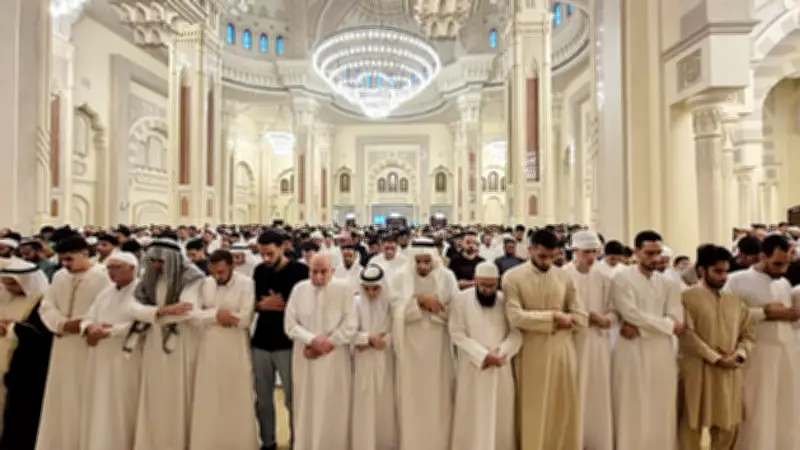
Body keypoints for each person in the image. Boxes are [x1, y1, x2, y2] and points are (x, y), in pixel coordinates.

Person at [503, 228, 586, 450]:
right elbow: (515, 317)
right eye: (542, 256)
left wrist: (564, 320)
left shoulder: (564, 277)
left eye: (552, 256)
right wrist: (554, 317)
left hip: (563, 351)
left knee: (563, 406)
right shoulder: (513, 277)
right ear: (530, 250)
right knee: (534, 407)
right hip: (531, 352)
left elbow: (581, 317)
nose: (547, 261)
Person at [124, 237, 205, 450]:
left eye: (160, 261)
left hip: (180, 342)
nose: (157, 266)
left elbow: (186, 311)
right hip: (153, 342)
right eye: (153, 261)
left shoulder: (192, 277)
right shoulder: (149, 278)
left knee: (176, 396)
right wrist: (159, 311)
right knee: (154, 395)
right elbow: (131, 307)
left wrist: (152, 314)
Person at [37, 235, 111, 450]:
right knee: (61, 398)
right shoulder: (59, 276)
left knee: (85, 398)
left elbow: (108, 308)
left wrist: (84, 325)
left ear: (85, 254)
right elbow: (46, 305)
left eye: (69, 259)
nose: (65, 264)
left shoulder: (103, 276)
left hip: (88, 345)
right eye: (62, 259)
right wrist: (61, 324)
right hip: (62, 345)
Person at [611, 230, 683, 450]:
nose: (655, 258)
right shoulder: (622, 278)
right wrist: (666, 326)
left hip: (662, 352)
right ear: (636, 252)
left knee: (662, 405)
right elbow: (630, 313)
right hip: (631, 351)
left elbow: (676, 318)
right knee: (632, 404)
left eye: (658, 253)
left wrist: (648, 328)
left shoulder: (669, 282)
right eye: (649, 253)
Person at [679, 245, 755, 450]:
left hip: (729, 372)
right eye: (718, 271)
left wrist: (739, 355)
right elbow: (686, 334)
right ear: (702, 270)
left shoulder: (735, 301)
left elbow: (748, 334)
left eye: (726, 272)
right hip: (697, 370)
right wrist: (716, 358)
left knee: (728, 428)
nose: (723, 277)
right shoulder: (686, 297)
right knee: (691, 425)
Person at [725, 234, 797, 449]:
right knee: (758, 408)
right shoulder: (737, 280)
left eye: (786, 264)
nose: (782, 269)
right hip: (757, 352)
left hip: (787, 351)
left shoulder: (784, 283)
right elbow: (726, 315)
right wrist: (763, 312)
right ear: (763, 256)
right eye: (777, 264)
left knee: (786, 407)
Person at [390, 237, 459, 450]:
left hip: (439, 347)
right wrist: (419, 301)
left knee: (439, 398)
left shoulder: (447, 277)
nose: (422, 266)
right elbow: (393, 310)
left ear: (435, 259)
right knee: (412, 399)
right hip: (410, 347)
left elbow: (457, 311)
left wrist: (434, 309)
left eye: (427, 261)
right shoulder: (400, 277)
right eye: (418, 261)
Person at [284, 253, 357, 450]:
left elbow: (350, 324)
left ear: (332, 271)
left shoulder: (344, 289)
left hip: (335, 358)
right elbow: (290, 324)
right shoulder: (299, 289)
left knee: (334, 406)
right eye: (314, 272)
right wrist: (312, 340)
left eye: (323, 272)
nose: (318, 277)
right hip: (305, 357)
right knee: (306, 405)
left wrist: (329, 343)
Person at [190, 250, 260, 450]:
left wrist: (210, 314)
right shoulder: (206, 283)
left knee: (236, 395)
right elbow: (193, 316)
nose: (217, 277)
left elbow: (244, 318)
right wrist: (216, 316)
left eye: (221, 272)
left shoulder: (246, 283)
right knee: (209, 396)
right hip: (209, 347)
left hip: (235, 347)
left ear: (232, 267)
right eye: (213, 272)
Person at [449, 261, 521, 450]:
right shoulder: (460, 300)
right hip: (472, 368)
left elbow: (516, 333)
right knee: (472, 415)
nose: (488, 290)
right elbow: (457, 333)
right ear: (475, 280)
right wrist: (482, 355)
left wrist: (502, 352)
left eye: (492, 285)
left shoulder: (506, 301)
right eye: (483, 285)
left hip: (500, 367)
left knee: (500, 416)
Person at [252, 230, 309, 450]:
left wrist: (272, 303)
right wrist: (262, 304)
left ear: (283, 248)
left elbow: (296, 305)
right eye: (262, 254)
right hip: (261, 342)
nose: (265, 258)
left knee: (292, 398)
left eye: (270, 253)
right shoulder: (259, 271)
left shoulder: (299, 271)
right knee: (263, 399)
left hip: (288, 343)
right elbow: (256, 302)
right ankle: (268, 442)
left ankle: (298, 442)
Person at [79, 251, 141, 450]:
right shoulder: (106, 292)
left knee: (121, 406)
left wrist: (111, 331)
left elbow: (141, 324)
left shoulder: (141, 291)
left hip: (125, 357)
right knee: (99, 405)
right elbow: (89, 316)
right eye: (109, 268)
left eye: (116, 268)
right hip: (100, 356)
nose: (111, 272)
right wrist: (90, 327)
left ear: (132, 269)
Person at [562, 230, 614, 450]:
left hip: (598, 343)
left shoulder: (603, 276)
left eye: (594, 252)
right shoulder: (563, 275)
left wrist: (605, 319)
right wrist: (577, 319)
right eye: (586, 252)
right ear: (575, 251)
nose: (591, 257)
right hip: (572, 342)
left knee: (598, 392)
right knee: (574, 390)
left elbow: (614, 309)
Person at [0, 260, 53, 450]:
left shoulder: (43, 301)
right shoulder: (5, 297)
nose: (8, 288)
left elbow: (42, 335)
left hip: (28, 369)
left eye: (12, 283)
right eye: (5, 283)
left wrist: (13, 328)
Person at [351, 264, 397, 450]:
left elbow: (395, 330)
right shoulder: (354, 303)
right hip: (361, 362)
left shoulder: (389, 304)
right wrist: (367, 339)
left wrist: (386, 340)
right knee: (363, 405)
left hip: (385, 360)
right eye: (366, 289)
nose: (371, 293)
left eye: (375, 288)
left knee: (384, 404)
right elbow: (348, 332)